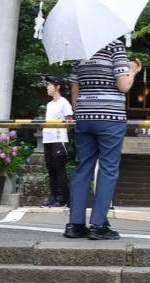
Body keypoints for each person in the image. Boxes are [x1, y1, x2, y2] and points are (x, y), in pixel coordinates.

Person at [63, 38, 141, 240]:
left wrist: (79, 112)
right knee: (108, 169)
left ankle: (75, 224)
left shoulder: (81, 49)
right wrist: (132, 70)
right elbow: (123, 85)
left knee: (83, 169)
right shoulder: (115, 46)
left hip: (84, 117)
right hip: (110, 117)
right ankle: (98, 225)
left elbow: (74, 85)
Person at [41, 76, 73, 208]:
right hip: (47, 138)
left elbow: (69, 121)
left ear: (57, 86)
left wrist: (59, 129)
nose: (47, 87)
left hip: (58, 139)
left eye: (49, 85)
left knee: (60, 171)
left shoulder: (64, 102)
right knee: (51, 170)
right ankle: (53, 196)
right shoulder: (49, 104)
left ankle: (64, 198)